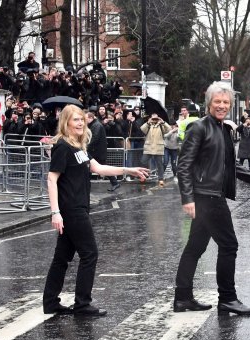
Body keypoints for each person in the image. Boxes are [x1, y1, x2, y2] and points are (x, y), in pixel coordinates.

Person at [174, 81, 250, 316]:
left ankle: (182, 298)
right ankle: (228, 298)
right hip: (207, 198)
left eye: (225, 102)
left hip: (210, 197)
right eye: (217, 101)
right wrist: (187, 198)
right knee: (229, 246)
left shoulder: (223, 129)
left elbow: (230, 166)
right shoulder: (198, 128)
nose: (221, 105)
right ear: (209, 103)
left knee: (195, 248)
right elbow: (184, 165)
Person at [43, 105, 149, 316]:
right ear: (66, 123)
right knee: (89, 253)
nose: (81, 123)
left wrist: (128, 170)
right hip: (71, 209)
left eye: (82, 119)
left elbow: (99, 168)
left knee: (62, 258)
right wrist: (55, 212)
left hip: (78, 207)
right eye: (75, 120)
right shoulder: (63, 147)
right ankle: (82, 303)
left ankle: (50, 302)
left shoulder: (78, 148)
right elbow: (52, 179)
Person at [86, 111, 121, 192]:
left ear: (91, 118)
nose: (85, 120)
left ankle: (115, 183)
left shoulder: (96, 125)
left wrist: (86, 147)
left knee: (99, 167)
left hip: (97, 151)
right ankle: (86, 185)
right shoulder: (94, 125)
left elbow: (95, 138)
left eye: (86, 118)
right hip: (96, 151)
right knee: (91, 167)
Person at [141, 112, 171, 186]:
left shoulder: (161, 126)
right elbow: (142, 129)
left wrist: (163, 122)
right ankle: (144, 176)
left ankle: (161, 178)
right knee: (143, 162)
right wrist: (148, 122)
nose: (154, 119)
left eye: (156, 118)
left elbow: (169, 129)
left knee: (159, 164)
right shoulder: (148, 125)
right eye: (153, 118)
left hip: (158, 148)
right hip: (149, 147)